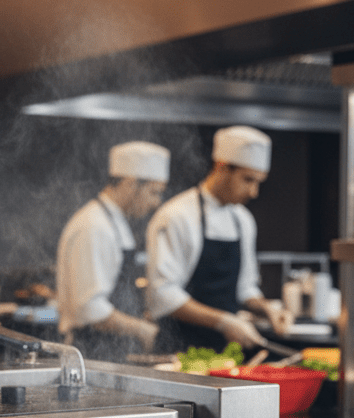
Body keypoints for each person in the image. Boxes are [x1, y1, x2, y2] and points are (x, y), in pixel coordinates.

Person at [146, 125, 292, 353]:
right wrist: (224, 321)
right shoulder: (176, 216)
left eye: (258, 182)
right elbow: (163, 296)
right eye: (247, 180)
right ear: (221, 168)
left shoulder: (243, 220)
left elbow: (245, 288)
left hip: (226, 353)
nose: (254, 192)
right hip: (177, 350)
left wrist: (268, 309)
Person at [56, 141, 170, 361]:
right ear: (130, 184)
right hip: (91, 353)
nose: (156, 203)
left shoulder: (114, 222)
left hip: (114, 352)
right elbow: (89, 309)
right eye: (153, 192)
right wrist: (141, 329)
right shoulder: (94, 226)